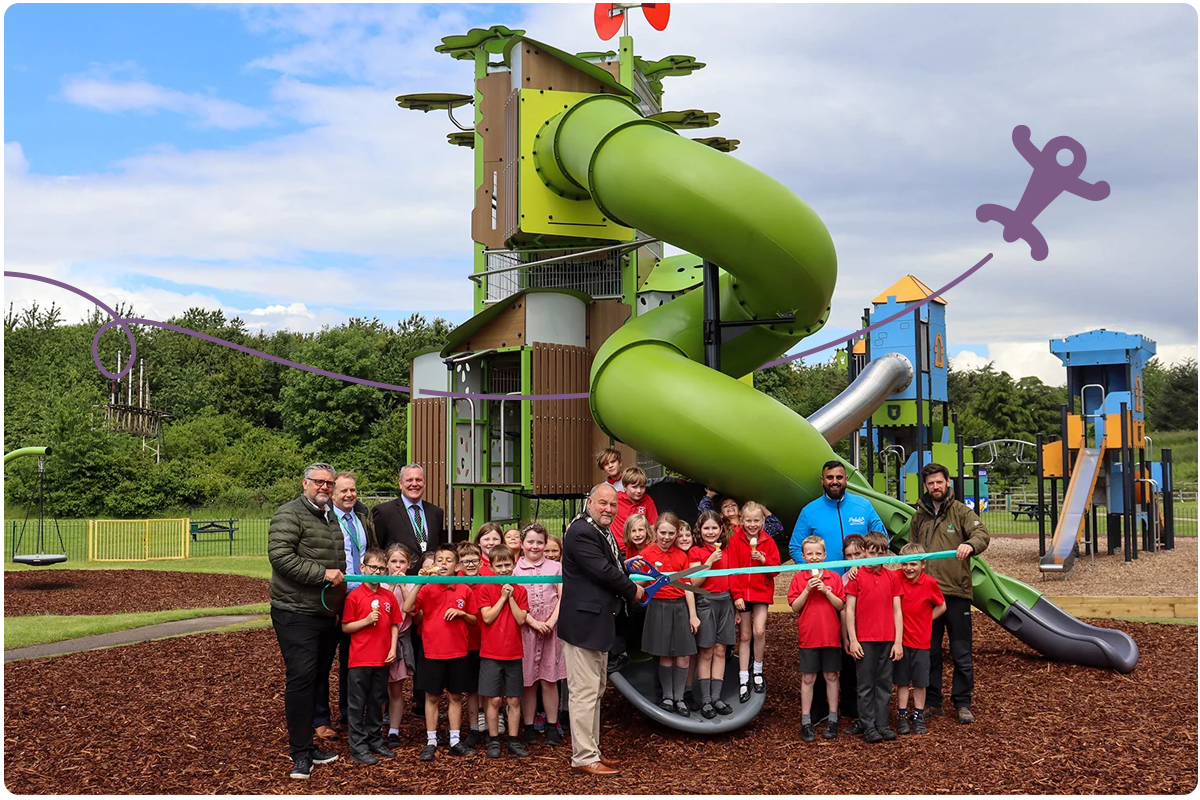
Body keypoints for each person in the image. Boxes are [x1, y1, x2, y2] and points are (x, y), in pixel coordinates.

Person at [557, 484, 645, 776]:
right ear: (589, 502)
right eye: (602, 503)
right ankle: (583, 756)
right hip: (584, 624)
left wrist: (626, 565)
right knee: (583, 692)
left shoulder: (600, 531)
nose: (608, 508)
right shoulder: (581, 531)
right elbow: (601, 571)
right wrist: (634, 590)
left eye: (612, 505)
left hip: (598, 622)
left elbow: (609, 564)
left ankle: (591, 749)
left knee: (594, 690)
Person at [267, 462, 345, 780]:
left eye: (330, 483)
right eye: (319, 482)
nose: (325, 487)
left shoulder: (329, 517)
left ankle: (310, 745)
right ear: (305, 484)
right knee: (301, 679)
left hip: (325, 611)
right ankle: (299, 753)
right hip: (295, 611)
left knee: (317, 677)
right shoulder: (289, 514)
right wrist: (322, 574)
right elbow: (281, 557)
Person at [911, 462, 990, 725]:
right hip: (926, 596)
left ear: (948, 483)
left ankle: (963, 702)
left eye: (939, 482)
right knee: (929, 651)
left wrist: (969, 544)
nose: (935, 487)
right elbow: (912, 548)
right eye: (930, 483)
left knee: (961, 652)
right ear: (926, 486)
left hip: (956, 593)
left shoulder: (961, 512)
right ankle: (933, 702)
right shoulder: (919, 515)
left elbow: (981, 534)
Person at [372, 463, 446, 716]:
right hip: (395, 588)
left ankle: (420, 699)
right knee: (392, 641)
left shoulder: (436, 512)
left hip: (426, 588)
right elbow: (379, 549)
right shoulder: (384, 511)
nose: (415, 484)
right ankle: (383, 706)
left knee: (423, 641)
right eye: (409, 480)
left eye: (419, 480)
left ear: (424, 482)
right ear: (400, 483)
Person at [315, 471, 379, 741]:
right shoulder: (325, 519)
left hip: (361, 598)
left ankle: (348, 715)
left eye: (353, 490)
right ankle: (319, 718)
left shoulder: (362, 517)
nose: (349, 495)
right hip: (334, 598)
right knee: (323, 660)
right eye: (343, 491)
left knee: (353, 662)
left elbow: (371, 551)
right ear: (333, 494)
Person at [402, 543, 477, 761]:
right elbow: (408, 608)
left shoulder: (464, 588)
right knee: (432, 696)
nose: (443, 564)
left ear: (457, 566)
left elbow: (474, 619)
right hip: (431, 651)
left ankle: (454, 739)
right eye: (439, 560)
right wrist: (419, 581)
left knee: (455, 696)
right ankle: (431, 740)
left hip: (458, 651)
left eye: (448, 560)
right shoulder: (427, 587)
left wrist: (461, 613)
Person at [633, 512, 698, 716]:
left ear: (676, 533)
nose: (667, 537)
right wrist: (631, 582)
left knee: (684, 656)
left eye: (671, 533)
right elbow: (640, 583)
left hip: (679, 607)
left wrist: (693, 615)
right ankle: (668, 697)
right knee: (665, 656)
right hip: (658, 607)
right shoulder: (647, 554)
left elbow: (687, 586)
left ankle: (680, 698)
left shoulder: (681, 555)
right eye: (663, 533)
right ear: (655, 531)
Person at [340, 548, 400, 765]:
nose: (376, 572)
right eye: (373, 567)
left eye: (381, 569)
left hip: (382, 658)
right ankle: (357, 745)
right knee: (357, 703)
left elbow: (394, 624)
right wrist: (366, 621)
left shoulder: (388, 596)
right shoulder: (355, 596)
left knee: (377, 701)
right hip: (360, 658)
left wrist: (393, 648)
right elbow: (346, 627)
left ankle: (375, 739)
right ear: (362, 568)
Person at [845, 531, 903, 744]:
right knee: (866, 684)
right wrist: (853, 639)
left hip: (887, 639)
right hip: (865, 640)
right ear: (864, 552)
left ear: (886, 553)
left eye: (881, 553)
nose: (876, 558)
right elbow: (849, 610)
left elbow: (898, 610)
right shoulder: (857, 576)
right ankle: (868, 725)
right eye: (872, 553)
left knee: (885, 684)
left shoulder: (892, 577)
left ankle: (882, 723)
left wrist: (898, 641)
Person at [474, 544, 532, 758]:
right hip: (491, 652)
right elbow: (487, 618)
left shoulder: (521, 589)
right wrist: (502, 597)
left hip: (514, 652)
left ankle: (514, 740)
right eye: (499, 565)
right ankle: (493, 739)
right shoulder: (485, 588)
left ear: (514, 564)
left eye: (507, 564)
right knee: (494, 699)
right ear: (491, 566)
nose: (504, 569)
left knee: (514, 699)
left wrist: (512, 596)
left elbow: (520, 618)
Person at [787, 535, 846, 742]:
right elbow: (795, 607)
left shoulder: (834, 578)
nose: (814, 557)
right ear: (803, 556)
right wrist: (808, 589)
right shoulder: (798, 578)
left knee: (831, 676)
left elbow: (840, 605)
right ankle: (806, 721)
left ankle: (832, 718)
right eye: (809, 554)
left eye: (818, 553)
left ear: (825, 555)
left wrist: (825, 591)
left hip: (830, 636)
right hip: (809, 637)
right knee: (808, 678)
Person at [513, 523, 566, 747]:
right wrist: (534, 622)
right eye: (531, 542)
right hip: (527, 628)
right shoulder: (515, 569)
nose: (535, 546)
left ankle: (553, 725)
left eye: (540, 542)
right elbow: (514, 602)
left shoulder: (555, 567)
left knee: (549, 679)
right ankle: (529, 725)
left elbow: (563, 596)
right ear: (523, 544)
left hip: (552, 629)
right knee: (528, 680)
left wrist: (552, 621)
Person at [789, 461, 887, 572]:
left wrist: (869, 566)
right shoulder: (809, 511)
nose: (835, 482)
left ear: (846, 479)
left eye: (839, 477)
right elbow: (795, 547)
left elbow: (882, 539)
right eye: (830, 477)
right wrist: (814, 571)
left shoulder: (864, 506)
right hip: (826, 584)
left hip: (862, 581)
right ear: (822, 480)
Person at [727, 501, 781, 700]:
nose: (752, 524)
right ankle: (743, 676)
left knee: (759, 630)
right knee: (745, 635)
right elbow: (732, 570)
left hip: (760, 594)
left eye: (756, 520)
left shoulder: (768, 542)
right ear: (741, 521)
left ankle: (758, 670)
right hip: (743, 595)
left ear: (763, 521)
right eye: (748, 520)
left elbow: (775, 570)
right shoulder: (735, 541)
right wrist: (737, 595)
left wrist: (763, 560)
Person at [894, 543, 946, 736]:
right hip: (901, 640)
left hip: (921, 641)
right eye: (905, 564)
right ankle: (901, 716)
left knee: (920, 682)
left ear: (923, 564)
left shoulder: (929, 583)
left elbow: (942, 606)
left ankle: (918, 715)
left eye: (913, 564)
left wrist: (926, 621)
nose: (908, 568)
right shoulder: (897, 577)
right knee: (901, 681)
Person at [688, 510, 735, 718]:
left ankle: (716, 697)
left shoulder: (727, 550)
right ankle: (706, 700)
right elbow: (694, 583)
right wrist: (708, 562)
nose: (710, 532)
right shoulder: (695, 552)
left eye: (714, 528)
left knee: (720, 650)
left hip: (725, 602)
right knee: (706, 651)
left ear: (721, 529)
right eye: (706, 528)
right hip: (705, 602)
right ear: (700, 529)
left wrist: (735, 604)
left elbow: (733, 578)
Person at [384, 544, 416, 748]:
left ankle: (394, 730)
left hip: (401, 639)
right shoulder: (379, 582)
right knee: (378, 690)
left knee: (396, 689)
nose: (397, 566)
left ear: (409, 564)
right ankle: (376, 727)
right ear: (386, 563)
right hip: (379, 640)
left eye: (402, 562)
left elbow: (411, 609)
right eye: (394, 561)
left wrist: (402, 587)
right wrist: (390, 586)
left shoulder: (411, 584)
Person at [456, 542, 486, 749]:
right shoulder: (454, 582)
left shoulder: (489, 581)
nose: (471, 564)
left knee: (489, 686)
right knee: (471, 689)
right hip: (464, 643)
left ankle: (490, 723)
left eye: (474, 560)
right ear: (459, 564)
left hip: (487, 640)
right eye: (466, 561)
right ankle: (474, 726)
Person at [837, 534, 868, 728]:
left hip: (870, 631)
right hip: (852, 630)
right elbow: (843, 610)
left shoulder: (875, 572)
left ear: (866, 551)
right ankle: (849, 708)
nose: (853, 559)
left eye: (857, 554)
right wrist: (845, 638)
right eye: (849, 556)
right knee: (849, 670)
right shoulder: (844, 578)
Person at [611, 468, 658, 539]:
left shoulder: (647, 500)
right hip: (617, 547)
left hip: (639, 546)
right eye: (634, 487)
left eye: (642, 487)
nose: (639, 491)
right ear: (625, 486)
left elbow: (653, 526)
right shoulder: (615, 498)